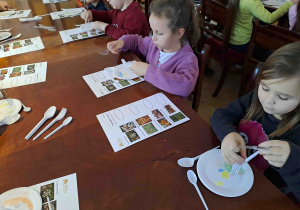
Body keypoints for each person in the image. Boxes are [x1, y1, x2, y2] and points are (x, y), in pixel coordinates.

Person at [210, 42, 300, 202]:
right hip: (231, 178)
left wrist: (293, 161)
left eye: (283, 97)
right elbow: (221, 115)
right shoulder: (254, 99)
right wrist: (228, 134)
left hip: (265, 195)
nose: (269, 101)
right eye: (265, 88)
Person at [106, 0, 200, 98]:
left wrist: (147, 71)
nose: (153, 37)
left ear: (178, 33)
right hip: (148, 95)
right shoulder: (154, 44)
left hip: (167, 105)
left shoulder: (187, 59)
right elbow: (136, 41)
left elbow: (185, 86)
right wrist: (123, 42)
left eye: (159, 33)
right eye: (152, 31)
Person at [228, 0, 298, 53]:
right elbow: (270, 19)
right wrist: (289, 3)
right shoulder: (252, 2)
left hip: (232, 40)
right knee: (273, 49)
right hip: (243, 44)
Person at [80, 0, 150, 39]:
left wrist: (103, 27)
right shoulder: (119, 9)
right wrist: (91, 13)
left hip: (135, 57)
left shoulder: (134, 15)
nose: (107, 0)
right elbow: (107, 15)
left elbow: (127, 38)